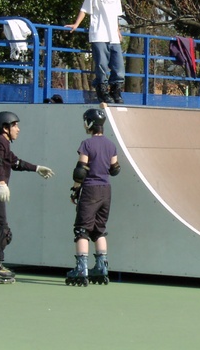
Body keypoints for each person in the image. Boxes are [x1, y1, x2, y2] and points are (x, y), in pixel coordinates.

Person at [0, 111, 55, 283]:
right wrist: (1, 182)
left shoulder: (4, 143)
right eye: (15, 125)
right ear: (5, 127)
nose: (18, 129)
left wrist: (36, 168)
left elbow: (15, 162)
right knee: (2, 229)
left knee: (3, 230)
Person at [66, 108, 120, 286]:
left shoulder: (87, 144)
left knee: (82, 229)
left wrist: (75, 190)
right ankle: (101, 267)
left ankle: (81, 269)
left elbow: (81, 170)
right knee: (99, 230)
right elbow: (115, 169)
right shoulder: (111, 145)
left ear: (89, 123)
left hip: (90, 189)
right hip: (106, 190)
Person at [66, 0, 126, 105]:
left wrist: (118, 30)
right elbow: (85, 9)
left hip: (113, 36)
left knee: (119, 68)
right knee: (102, 65)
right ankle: (103, 92)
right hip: (99, 33)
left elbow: (116, 14)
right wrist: (76, 24)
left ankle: (115, 91)